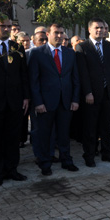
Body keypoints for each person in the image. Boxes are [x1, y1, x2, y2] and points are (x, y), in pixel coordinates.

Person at [28, 24, 80, 176]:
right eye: (56, 33)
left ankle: (66, 160)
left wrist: (75, 99)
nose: (59, 36)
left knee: (64, 134)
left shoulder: (70, 53)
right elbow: (34, 81)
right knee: (45, 134)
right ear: (48, 34)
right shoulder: (37, 53)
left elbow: (75, 79)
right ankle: (45, 163)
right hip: (45, 103)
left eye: (61, 33)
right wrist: (38, 102)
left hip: (65, 101)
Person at [0, 15, 30, 187]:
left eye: (9, 27)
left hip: (15, 101)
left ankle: (12, 169)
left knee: (12, 137)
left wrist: (26, 96)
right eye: (3, 26)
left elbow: (23, 74)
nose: (6, 29)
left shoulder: (17, 48)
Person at [75, 17, 110, 167]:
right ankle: (89, 155)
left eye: (102, 27)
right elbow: (83, 73)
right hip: (91, 96)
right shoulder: (82, 47)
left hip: (108, 94)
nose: (100, 30)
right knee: (90, 127)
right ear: (89, 29)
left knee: (107, 126)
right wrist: (88, 92)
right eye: (97, 28)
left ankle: (107, 153)